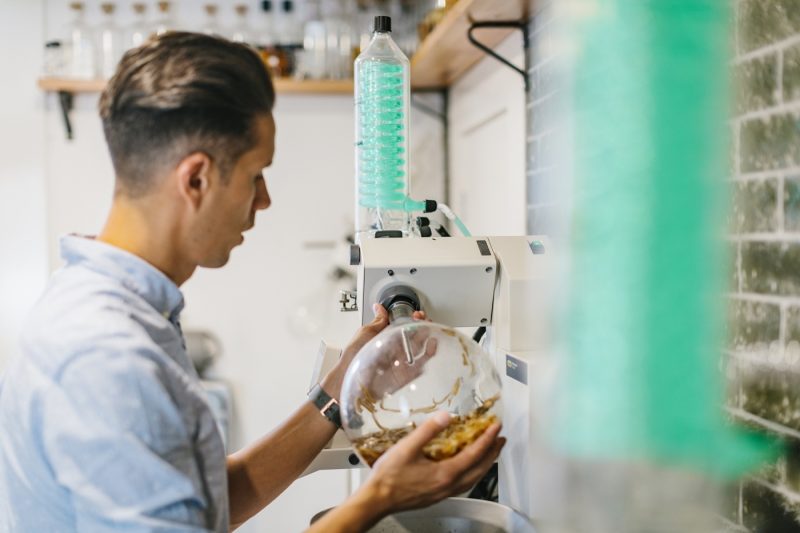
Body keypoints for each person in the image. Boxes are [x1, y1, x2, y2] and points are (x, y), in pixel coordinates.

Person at [0, 33, 504, 532]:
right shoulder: (110, 357)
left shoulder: (115, 307)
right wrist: (381, 496)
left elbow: (209, 501)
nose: (263, 201)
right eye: (255, 175)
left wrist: (339, 389)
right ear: (196, 179)